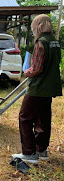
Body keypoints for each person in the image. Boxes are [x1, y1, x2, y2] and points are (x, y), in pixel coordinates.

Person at [12, 14, 62, 164]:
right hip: (49, 88)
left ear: (38, 26)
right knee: (43, 119)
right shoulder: (55, 41)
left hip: (38, 88)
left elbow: (37, 68)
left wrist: (26, 72)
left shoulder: (41, 42)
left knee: (25, 118)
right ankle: (42, 150)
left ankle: (29, 153)